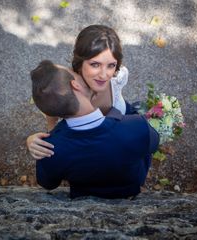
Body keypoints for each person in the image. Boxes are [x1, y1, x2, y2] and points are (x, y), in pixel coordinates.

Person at [30, 60, 159, 199]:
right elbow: (155, 142)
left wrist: (51, 130)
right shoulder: (137, 127)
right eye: (75, 74)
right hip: (130, 188)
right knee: (135, 108)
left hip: (83, 195)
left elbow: (47, 183)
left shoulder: (49, 150)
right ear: (76, 85)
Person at [28, 24, 137, 160]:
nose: (104, 75)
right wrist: (32, 140)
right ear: (80, 62)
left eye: (111, 65)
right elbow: (52, 123)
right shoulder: (65, 89)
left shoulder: (119, 77)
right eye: (95, 64)